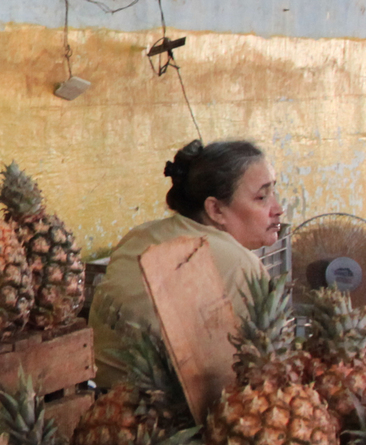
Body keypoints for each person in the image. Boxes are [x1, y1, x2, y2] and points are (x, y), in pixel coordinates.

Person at [89, 138, 282, 383]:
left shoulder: (139, 235)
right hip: (178, 415)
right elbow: (261, 376)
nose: (278, 209)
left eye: (273, 192)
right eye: (262, 197)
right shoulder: (242, 266)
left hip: (105, 401)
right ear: (216, 210)